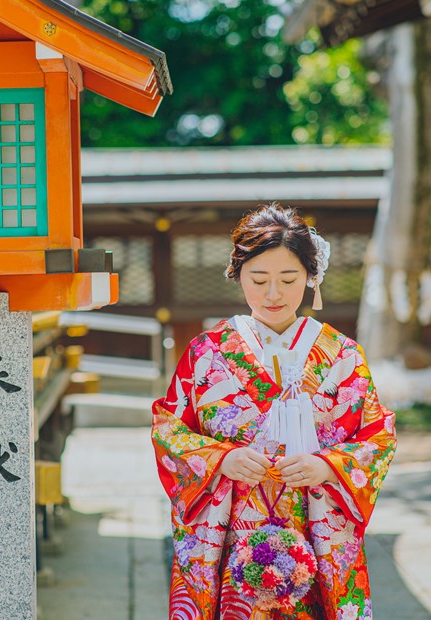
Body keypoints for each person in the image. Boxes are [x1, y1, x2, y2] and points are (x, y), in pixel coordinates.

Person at [152, 203, 396, 620]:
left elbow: (377, 436)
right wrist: (222, 458)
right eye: (258, 279)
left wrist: (330, 467)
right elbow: (170, 428)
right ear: (238, 275)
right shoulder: (207, 353)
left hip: (315, 527)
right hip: (230, 532)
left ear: (310, 278)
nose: (273, 294)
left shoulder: (342, 355)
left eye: (288, 279)